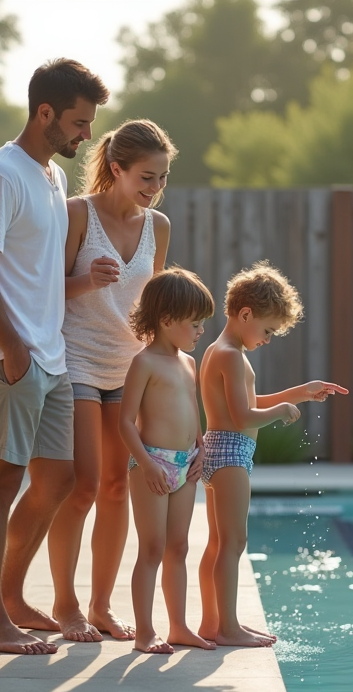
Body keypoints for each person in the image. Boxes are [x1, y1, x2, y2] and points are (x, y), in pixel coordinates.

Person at [0, 59, 109, 655]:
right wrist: (13, 346)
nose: (87, 135)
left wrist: (81, 290)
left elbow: (38, 276)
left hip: (51, 356)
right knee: (1, 482)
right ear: (45, 113)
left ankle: (12, 598)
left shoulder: (51, 177)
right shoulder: (1, 175)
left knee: (59, 478)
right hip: (9, 356)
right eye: (78, 122)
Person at [46, 120, 185, 643]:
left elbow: (154, 307)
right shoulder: (76, 214)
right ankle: (66, 605)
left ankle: (101, 607)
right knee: (82, 485)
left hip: (130, 368)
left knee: (115, 487)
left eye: (163, 178)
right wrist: (87, 280)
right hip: (77, 360)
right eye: (147, 177)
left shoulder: (158, 226)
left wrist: (170, 362)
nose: (155, 188)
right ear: (117, 168)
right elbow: (45, 291)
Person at [197, 262, 348, 647]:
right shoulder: (231, 355)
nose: (267, 339)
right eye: (267, 330)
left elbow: (249, 402)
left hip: (222, 449)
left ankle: (213, 623)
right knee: (233, 542)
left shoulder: (222, 350)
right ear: (246, 314)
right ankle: (227, 628)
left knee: (219, 543)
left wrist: (301, 392)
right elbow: (243, 416)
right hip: (230, 453)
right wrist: (281, 413)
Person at [118, 268, 218, 654]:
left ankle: (179, 626)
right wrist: (145, 463)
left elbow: (193, 413)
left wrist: (201, 448)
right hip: (153, 464)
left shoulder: (188, 364)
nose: (201, 331)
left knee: (179, 547)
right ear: (166, 320)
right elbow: (125, 422)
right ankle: (144, 632)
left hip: (186, 463)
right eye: (195, 323)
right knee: (152, 548)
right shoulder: (144, 363)